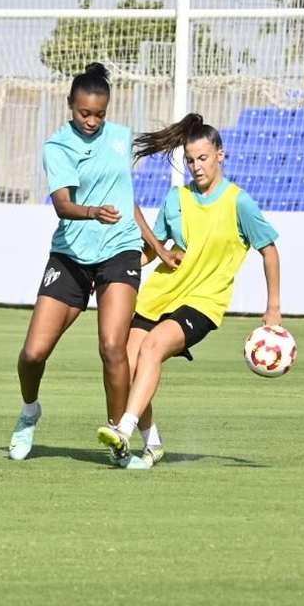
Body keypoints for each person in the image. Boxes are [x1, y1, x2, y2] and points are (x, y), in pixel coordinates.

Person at [7, 62, 176, 465]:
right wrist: (92, 213)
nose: (92, 121)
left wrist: (156, 246)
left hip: (119, 251)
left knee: (113, 346)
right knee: (33, 354)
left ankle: (119, 437)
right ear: (70, 105)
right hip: (70, 256)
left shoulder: (119, 138)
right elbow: (63, 204)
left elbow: (126, 198)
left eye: (100, 113)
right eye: (85, 113)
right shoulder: (57, 146)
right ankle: (30, 412)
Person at [96, 114, 282, 469]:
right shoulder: (176, 198)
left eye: (203, 158)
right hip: (160, 295)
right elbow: (155, 249)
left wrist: (273, 308)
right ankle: (152, 442)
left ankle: (124, 428)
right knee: (125, 364)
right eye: (190, 160)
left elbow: (269, 250)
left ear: (220, 156)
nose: (196, 167)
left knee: (151, 348)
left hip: (202, 303)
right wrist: (115, 268)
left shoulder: (239, 202)